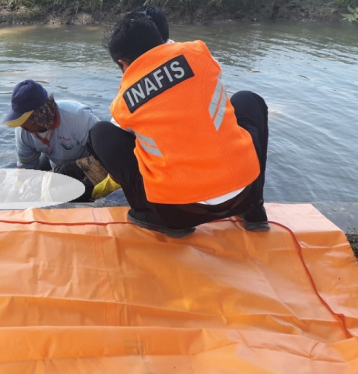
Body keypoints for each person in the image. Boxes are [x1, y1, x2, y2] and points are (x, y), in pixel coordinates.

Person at [87, 13, 269, 238]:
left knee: (100, 133)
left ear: (123, 64)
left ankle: (147, 214)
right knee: (248, 99)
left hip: (178, 212)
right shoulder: (199, 53)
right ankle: (255, 210)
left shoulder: (124, 101)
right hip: (244, 193)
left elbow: (124, 144)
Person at [3, 80, 120, 201]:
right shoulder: (22, 132)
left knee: (75, 197)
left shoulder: (78, 117)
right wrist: (15, 193)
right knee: (31, 190)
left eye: (24, 120)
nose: (21, 125)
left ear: (38, 115)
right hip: (54, 161)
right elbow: (26, 168)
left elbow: (108, 154)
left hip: (90, 163)